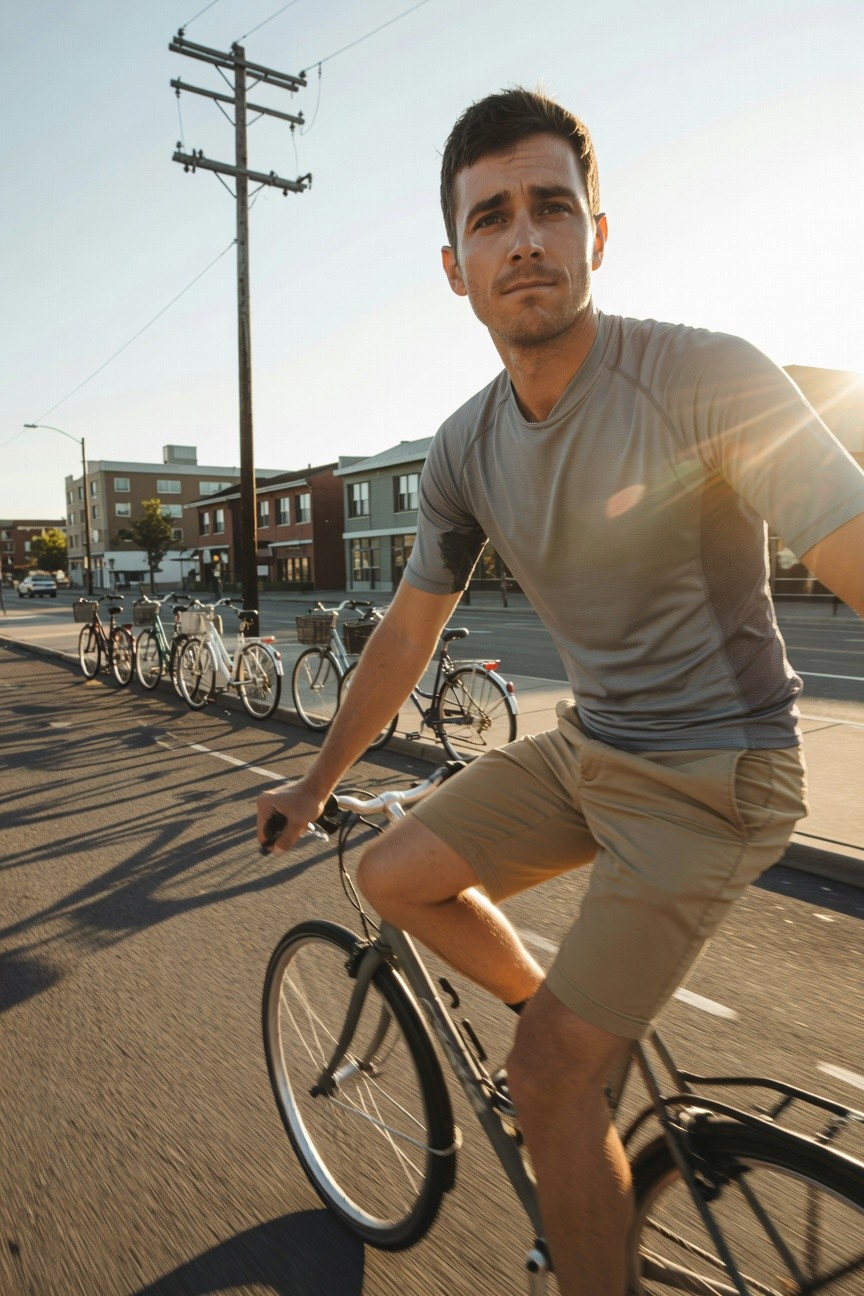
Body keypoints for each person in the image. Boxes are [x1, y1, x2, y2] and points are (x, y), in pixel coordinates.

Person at [258, 89, 864, 1294]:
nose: (523, 237)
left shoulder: (704, 376)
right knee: (388, 874)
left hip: (717, 771)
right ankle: (578, 1030)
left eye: (550, 207)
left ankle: (570, 1081)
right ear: (455, 266)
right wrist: (317, 777)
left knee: (541, 1076)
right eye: (492, 218)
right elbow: (405, 632)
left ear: (597, 232)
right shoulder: (465, 446)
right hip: (592, 751)